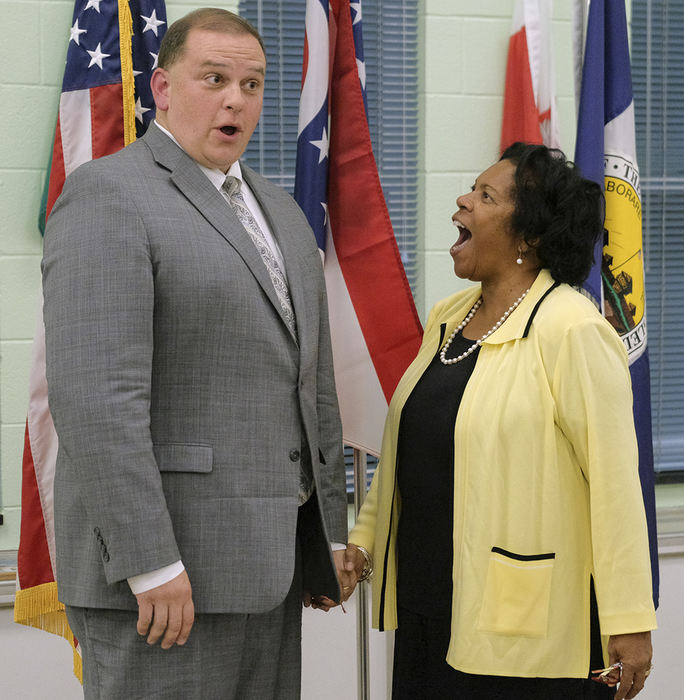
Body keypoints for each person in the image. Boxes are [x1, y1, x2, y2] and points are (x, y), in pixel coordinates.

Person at [42, 8, 352, 699]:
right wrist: (151, 562)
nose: (235, 98)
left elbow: (313, 387)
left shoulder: (282, 213)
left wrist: (328, 536)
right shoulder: (108, 196)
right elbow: (97, 402)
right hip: (161, 584)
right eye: (214, 78)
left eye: (251, 83)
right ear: (163, 86)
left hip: (268, 574)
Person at [343, 143, 657, 699]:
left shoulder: (572, 329)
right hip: (428, 611)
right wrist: (363, 546)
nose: (463, 200)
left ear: (529, 237)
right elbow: (407, 454)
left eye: (484, 196)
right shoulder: (447, 316)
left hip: (526, 635)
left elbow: (616, 488)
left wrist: (629, 620)